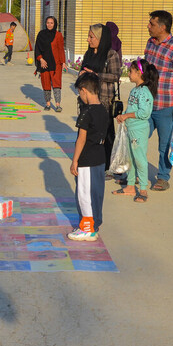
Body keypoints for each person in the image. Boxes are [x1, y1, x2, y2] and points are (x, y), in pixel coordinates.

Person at [144, 10, 173, 191]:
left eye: (151, 24)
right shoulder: (150, 43)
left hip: (165, 106)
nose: (148, 26)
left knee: (165, 145)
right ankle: (131, 173)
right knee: (137, 138)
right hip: (146, 104)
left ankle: (162, 177)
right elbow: (144, 69)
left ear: (162, 27)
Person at [68, 72, 109, 242]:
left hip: (87, 161)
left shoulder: (86, 112)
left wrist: (75, 160)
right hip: (100, 158)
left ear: (84, 90)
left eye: (79, 92)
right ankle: (94, 224)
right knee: (96, 193)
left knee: (84, 194)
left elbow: (81, 139)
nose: (80, 96)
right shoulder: (104, 110)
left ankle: (87, 228)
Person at [111, 59, 159, 203]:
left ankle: (143, 189)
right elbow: (132, 108)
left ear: (139, 73)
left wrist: (127, 115)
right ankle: (130, 186)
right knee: (130, 158)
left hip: (139, 130)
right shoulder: (135, 90)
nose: (129, 73)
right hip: (130, 128)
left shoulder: (144, 92)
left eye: (131, 71)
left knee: (139, 158)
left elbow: (144, 113)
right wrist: (123, 116)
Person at [79, 23, 122, 172]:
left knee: (106, 134)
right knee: (86, 132)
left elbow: (116, 76)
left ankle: (107, 165)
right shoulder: (89, 54)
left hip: (104, 101)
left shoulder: (111, 55)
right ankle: (88, 160)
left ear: (100, 38)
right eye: (89, 36)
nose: (88, 40)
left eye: (91, 37)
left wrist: (97, 75)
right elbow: (83, 69)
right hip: (86, 100)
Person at [34, 16, 67, 112]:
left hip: (56, 64)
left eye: (51, 23)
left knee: (56, 84)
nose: (49, 24)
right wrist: (41, 59)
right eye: (48, 22)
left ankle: (57, 105)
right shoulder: (41, 34)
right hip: (44, 64)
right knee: (46, 84)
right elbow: (37, 49)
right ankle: (48, 104)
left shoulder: (58, 35)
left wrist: (63, 62)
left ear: (55, 24)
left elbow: (61, 49)